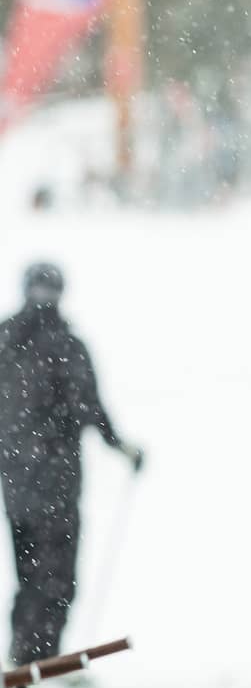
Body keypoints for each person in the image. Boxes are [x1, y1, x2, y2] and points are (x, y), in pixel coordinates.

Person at [0, 263, 143, 667]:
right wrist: (124, 449)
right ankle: (39, 658)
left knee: (28, 573)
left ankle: (24, 654)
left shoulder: (4, 339)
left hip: (15, 483)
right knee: (57, 576)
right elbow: (90, 408)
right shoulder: (66, 344)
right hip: (56, 483)